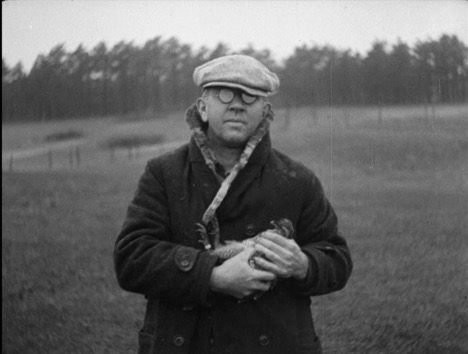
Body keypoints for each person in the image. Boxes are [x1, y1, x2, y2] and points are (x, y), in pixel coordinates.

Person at [114, 54, 353, 354]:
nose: (237, 104)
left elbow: (338, 259)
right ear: (202, 107)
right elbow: (131, 258)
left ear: (265, 111)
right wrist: (212, 276)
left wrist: (302, 264)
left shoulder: (298, 180)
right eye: (224, 93)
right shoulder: (163, 174)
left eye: (250, 96)